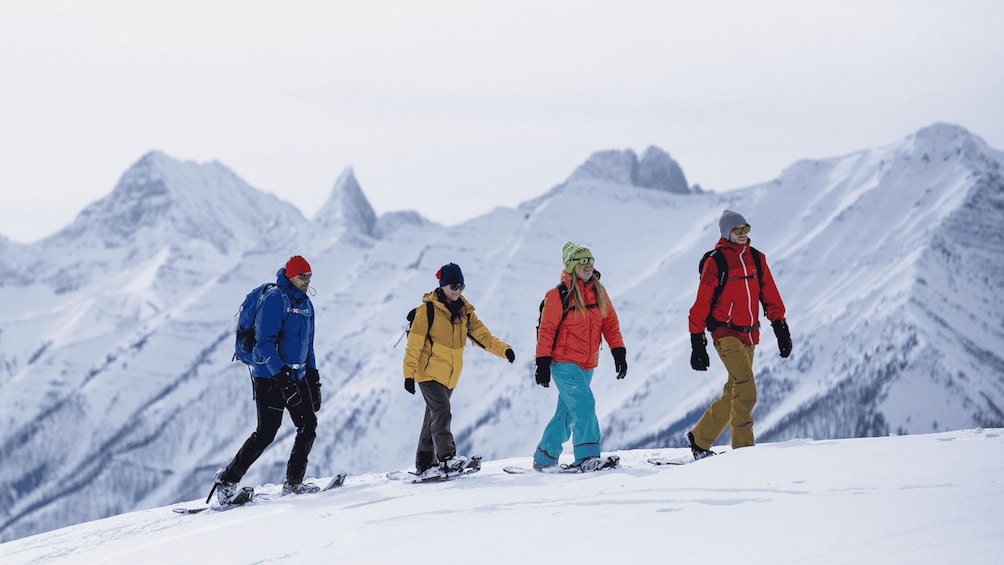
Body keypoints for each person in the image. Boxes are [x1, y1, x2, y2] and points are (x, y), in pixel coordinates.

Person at [214, 255, 323, 502]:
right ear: (290, 276)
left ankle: (294, 483)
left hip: (298, 375)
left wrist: (314, 378)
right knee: (266, 432)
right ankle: (227, 481)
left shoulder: (306, 304)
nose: (306, 281)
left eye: (309, 276)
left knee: (308, 426)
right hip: (269, 377)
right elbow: (263, 345)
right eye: (302, 277)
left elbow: (310, 345)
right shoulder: (275, 299)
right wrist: (282, 377)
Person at [687, 210, 792, 459]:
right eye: (738, 231)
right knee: (746, 389)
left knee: (734, 390)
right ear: (726, 233)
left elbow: (769, 294)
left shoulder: (757, 259)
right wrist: (697, 341)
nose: (744, 235)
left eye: (746, 230)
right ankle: (744, 452)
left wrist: (780, 327)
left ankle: (699, 439)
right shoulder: (717, 262)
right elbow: (701, 303)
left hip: (750, 334)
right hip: (725, 333)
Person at [402, 262, 515, 476]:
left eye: (461, 286)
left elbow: (483, 336)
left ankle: (424, 462)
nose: (457, 291)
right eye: (453, 286)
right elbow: (414, 344)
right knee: (442, 411)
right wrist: (408, 374)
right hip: (427, 372)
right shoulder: (428, 310)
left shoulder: (465, 312)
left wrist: (504, 350)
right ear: (442, 286)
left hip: (449, 376)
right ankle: (446, 459)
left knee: (433, 415)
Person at [532, 242, 627, 472]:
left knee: (566, 413)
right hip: (563, 362)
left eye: (590, 261)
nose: (588, 266)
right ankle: (587, 456)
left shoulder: (599, 291)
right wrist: (542, 363)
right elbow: (546, 330)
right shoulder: (557, 295)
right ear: (571, 266)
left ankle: (545, 456)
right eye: (582, 262)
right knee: (584, 405)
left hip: (587, 363)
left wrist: (619, 353)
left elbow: (610, 324)